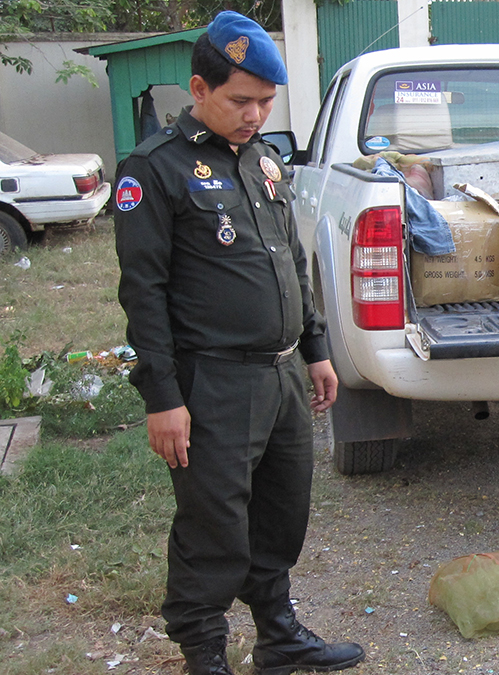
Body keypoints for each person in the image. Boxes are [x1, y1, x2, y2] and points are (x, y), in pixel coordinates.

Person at [114, 11, 364, 675]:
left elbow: (291, 260)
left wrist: (314, 347)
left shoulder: (265, 163)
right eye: (240, 101)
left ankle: (278, 636)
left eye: (265, 102)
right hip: (212, 383)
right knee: (213, 528)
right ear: (199, 89)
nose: (254, 115)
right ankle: (205, 655)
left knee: (282, 513)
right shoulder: (154, 170)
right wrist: (162, 397)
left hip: (280, 376)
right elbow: (144, 295)